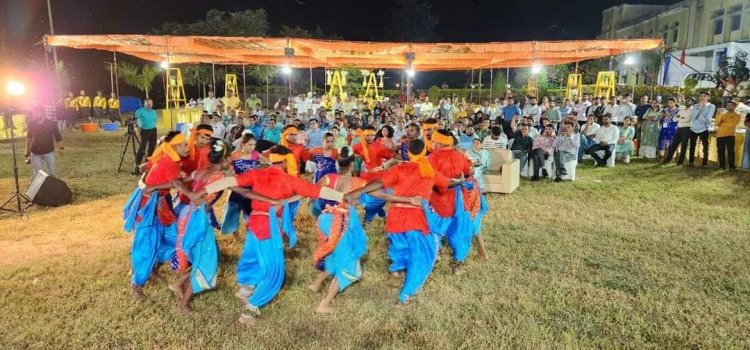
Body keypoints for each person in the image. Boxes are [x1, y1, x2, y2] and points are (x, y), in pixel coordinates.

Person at [195, 145, 344, 325]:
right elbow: (318, 191)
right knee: (274, 270)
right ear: (286, 161)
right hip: (270, 226)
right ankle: (250, 311)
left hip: (254, 222)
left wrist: (202, 191)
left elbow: (228, 182)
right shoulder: (289, 180)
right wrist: (342, 195)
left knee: (252, 256)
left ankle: (245, 288)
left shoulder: (257, 173)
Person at [345, 139, 454, 305]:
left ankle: (395, 272)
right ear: (424, 152)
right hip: (416, 219)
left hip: (395, 218)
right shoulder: (430, 171)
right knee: (422, 256)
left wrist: (356, 192)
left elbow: (377, 184)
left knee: (399, 246)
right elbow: (448, 183)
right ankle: (405, 294)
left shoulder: (399, 169)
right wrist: (462, 180)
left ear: (408, 152)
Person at [122, 131, 189, 301]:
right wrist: (153, 187)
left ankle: (153, 269)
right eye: (184, 145)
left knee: (173, 238)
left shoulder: (168, 157)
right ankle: (136, 285)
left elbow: (144, 168)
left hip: (160, 203)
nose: (187, 147)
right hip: (150, 207)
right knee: (146, 244)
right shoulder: (169, 163)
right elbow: (176, 183)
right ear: (174, 146)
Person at [169, 138, 232, 313]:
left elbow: (178, 181)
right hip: (198, 219)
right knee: (205, 259)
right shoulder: (220, 178)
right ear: (224, 159)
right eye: (230, 158)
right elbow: (198, 197)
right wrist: (191, 194)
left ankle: (178, 284)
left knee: (202, 254)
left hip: (187, 214)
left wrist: (186, 191)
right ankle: (183, 304)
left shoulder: (201, 171)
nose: (231, 161)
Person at [307, 147, 369, 313]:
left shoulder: (328, 178)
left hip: (325, 219)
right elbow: (366, 200)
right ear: (352, 165)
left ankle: (316, 284)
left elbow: (313, 192)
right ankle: (324, 304)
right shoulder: (359, 183)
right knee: (348, 262)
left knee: (334, 253)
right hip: (341, 222)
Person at [222, 134, 262, 240]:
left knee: (250, 215)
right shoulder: (235, 155)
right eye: (250, 144)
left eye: (254, 145)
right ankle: (236, 238)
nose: (252, 147)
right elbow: (225, 167)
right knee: (232, 213)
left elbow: (268, 162)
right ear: (242, 144)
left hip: (251, 189)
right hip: (237, 188)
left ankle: (251, 238)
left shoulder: (256, 155)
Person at [25, 109, 63, 177]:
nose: (35, 115)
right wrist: (27, 150)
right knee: (38, 173)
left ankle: (52, 186)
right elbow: (28, 137)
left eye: (37, 113)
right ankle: (40, 187)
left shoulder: (51, 123)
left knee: (52, 171)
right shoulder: (31, 124)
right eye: (34, 113)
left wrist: (61, 147)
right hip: (35, 152)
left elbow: (57, 136)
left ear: (42, 113)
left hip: (48, 151)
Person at [662, 97, 693, 165]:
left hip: (687, 128)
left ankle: (680, 162)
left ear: (692, 102)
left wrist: (680, 118)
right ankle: (668, 160)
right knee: (673, 145)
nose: (687, 102)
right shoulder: (682, 109)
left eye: (689, 101)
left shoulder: (692, 110)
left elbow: (687, 119)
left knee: (684, 146)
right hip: (679, 128)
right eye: (686, 100)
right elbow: (674, 119)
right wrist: (681, 118)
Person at [689, 91, 716, 167]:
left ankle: (704, 163)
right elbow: (692, 117)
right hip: (693, 128)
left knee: (705, 146)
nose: (703, 97)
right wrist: (699, 108)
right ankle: (691, 162)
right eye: (701, 96)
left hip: (703, 129)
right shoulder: (695, 105)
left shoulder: (712, 106)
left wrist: (697, 114)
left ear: (708, 97)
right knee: (692, 146)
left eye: (705, 96)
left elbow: (707, 119)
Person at [714, 101, 741, 170]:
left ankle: (732, 167)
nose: (729, 106)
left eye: (731, 105)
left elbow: (732, 125)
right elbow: (717, 123)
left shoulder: (737, 115)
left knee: (731, 151)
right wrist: (718, 113)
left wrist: (723, 122)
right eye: (728, 105)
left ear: (734, 107)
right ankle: (722, 166)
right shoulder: (722, 114)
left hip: (730, 135)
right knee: (720, 151)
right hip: (720, 135)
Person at [134, 98, 158, 167]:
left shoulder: (154, 111)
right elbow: (135, 119)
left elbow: (155, 120)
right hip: (145, 131)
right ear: (144, 103)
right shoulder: (140, 111)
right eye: (148, 103)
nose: (150, 104)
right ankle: (137, 163)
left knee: (152, 146)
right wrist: (137, 127)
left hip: (153, 130)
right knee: (142, 147)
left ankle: (148, 162)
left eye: (151, 103)